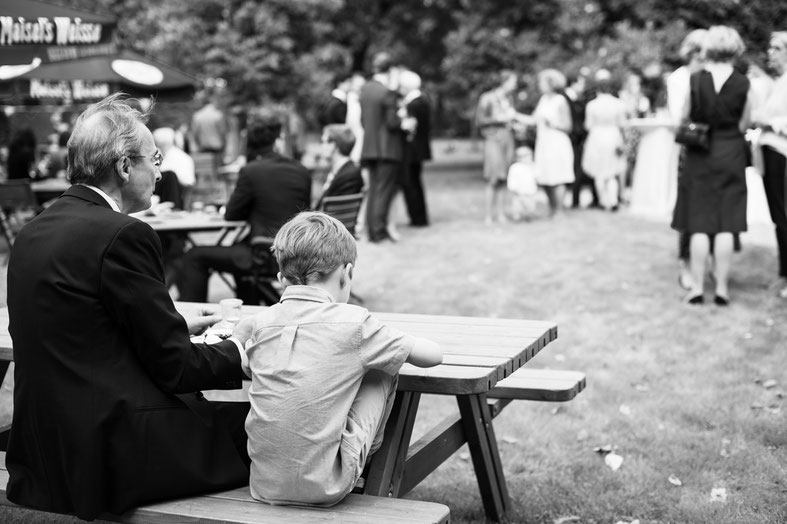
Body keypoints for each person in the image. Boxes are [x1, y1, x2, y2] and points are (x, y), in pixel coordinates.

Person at [5, 93, 254, 520]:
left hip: (42, 449)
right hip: (112, 452)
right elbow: (175, 368)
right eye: (154, 159)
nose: (160, 172)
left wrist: (174, 322)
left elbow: (84, 327)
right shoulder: (124, 234)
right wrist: (241, 348)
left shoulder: (32, 232)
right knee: (277, 425)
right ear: (124, 166)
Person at [243, 211, 442, 506]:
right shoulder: (356, 323)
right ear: (346, 273)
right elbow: (432, 356)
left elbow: (248, 367)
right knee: (383, 370)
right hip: (327, 484)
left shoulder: (261, 323)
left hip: (263, 484)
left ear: (281, 279)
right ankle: (372, 466)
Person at [177, 108, 312, 304]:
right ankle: (249, 304)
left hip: (264, 254)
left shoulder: (251, 171)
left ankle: (190, 318)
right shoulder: (302, 171)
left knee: (194, 255)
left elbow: (231, 214)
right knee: (238, 251)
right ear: (278, 140)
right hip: (297, 253)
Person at [670, 25, 753, 305]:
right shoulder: (743, 83)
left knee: (699, 222)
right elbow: (744, 124)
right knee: (727, 223)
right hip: (731, 153)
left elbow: (684, 118)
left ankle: (695, 287)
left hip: (700, 154)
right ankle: (721, 288)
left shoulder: (696, 79)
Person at [666, 28, 708, 291]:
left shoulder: (715, 76)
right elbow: (678, 121)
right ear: (694, 51)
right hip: (691, 148)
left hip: (715, 150)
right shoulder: (680, 78)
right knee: (688, 205)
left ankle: (706, 261)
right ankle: (685, 261)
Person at [752, 31, 787, 299]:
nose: (770, 53)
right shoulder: (778, 83)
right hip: (769, 151)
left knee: (783, 217)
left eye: (776, 48)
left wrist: (767, 122)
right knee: (778, 218)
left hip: (781, 153)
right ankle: (783, 273)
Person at [360, 52, 404, 242]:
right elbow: (392, 123)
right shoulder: (387, 92)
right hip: (387, 148)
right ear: (390, 69)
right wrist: (405, 121)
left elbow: (364, 120)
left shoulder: (365, 89)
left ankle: (373, 230)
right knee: (384, 190)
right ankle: (378, 232)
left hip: (369, 147)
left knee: (374, 190)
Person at [476, 70, 520, 224]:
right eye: (513, 81)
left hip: (507, 138)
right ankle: (489, 215)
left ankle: (501, 214)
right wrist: (498, 118)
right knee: (493, 178)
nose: (515, 85)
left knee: (504, 178)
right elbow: (480, 120)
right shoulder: (487, 98)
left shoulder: (510, 99)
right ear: (504, 81)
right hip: (493, 139)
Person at [533, 68, 575, 217]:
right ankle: (552, 208)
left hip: (557, 142)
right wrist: (513, 116)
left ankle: (559, 210)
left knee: (558, 176)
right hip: (543, 143)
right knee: (544, 177)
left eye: (541, 82)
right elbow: (534, 120)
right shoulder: (543, 100)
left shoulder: (560, 100)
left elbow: (568, 126)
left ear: (550, 83)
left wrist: (553, 124)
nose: (539, 85)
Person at [582, 75, 627, 211]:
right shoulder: (618, 103)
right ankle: (613, 201)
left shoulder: (592, 105)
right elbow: (622, 124)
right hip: (613, 136)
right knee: (611, 171)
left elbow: (588, 125)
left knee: (599, 171)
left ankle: (603, 201)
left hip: (597, 137)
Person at [398, 69, 432, 227]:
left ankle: (417, 217)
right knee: (414, 183)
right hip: (416, 150)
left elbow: (410, 126)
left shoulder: (416, 103)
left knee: (411, 183)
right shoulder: (421, 100)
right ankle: (418, 216)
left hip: (412, 150)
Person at [563, 69, 600, 209]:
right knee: (577, 168)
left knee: (581, 168)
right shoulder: (565, 98)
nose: (583, 86)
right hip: (572, 139)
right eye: (581, 82)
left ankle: (579, 200)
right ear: (574, 83)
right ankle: (575, 200)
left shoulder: (579, 98)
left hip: (579, 139)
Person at [315, 124, 364, 209]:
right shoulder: (341, 170)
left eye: (324, 142)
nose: (321, 146)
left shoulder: (349, 175)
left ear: (333, 145)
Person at [153, 126, 196, 210]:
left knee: (170, 176)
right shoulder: (156, 154)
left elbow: (189, 181)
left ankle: (172, 208)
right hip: (159, 190)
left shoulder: (181, 157)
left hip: (175, 191)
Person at [506, 146, 539, 221]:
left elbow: (537, 175)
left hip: (530, 192)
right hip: (518, 192)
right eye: (526, 157)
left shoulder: (532, 166)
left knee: (530, 206)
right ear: (519, 158)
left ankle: (529, 216)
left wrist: (533, 167)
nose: (529, 159)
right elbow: (512, 179)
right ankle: (517, 217)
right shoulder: (515, 167)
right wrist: (513, 188)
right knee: (517, 206)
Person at [190, 93, 228, 157]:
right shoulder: (218, 114)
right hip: (217, 146)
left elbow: (194, 133)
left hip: (203, 146)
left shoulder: (197, 115)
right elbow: (223, 132)